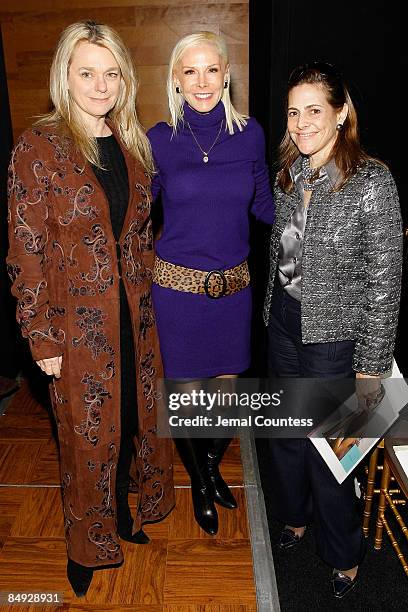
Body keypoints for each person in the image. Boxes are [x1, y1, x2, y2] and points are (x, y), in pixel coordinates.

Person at [7, 20, 174, 597]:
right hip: (76, 330)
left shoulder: (131, 146)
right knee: (83, 441)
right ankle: (84, 546)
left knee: (129, 425)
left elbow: (140, 236)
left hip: (133, 320)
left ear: (124, 80)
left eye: (111, 74)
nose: (100, 86)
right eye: (87, 73)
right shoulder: (39, 147)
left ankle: (125, 517)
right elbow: (24, 249)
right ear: (65, 76)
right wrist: (39, 335)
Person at [263, 62, 402, 598]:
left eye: (314, 110)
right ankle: (294, 521)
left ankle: (345, 557)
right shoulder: (290, 172)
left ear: (341, 113)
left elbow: (385, 278)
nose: (301, 123)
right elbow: (282, 255)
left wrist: (372, 362)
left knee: (333, 452)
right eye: (294, 112)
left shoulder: (372, 180)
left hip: (338, 341)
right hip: (284, 326)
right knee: (286, 439)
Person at [147, 32, 274, 535]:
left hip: (232, 292)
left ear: (227, 75)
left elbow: (264, 203)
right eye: (190, 71)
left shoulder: (251, 134)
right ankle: (202, 480)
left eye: (211, 70)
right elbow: (137, 209)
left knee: (225, 395)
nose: (202, 82)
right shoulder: (158, 138)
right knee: (184, 396)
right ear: (176, 80)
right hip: (176, 294)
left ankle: (208, 467)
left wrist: (318, 214)